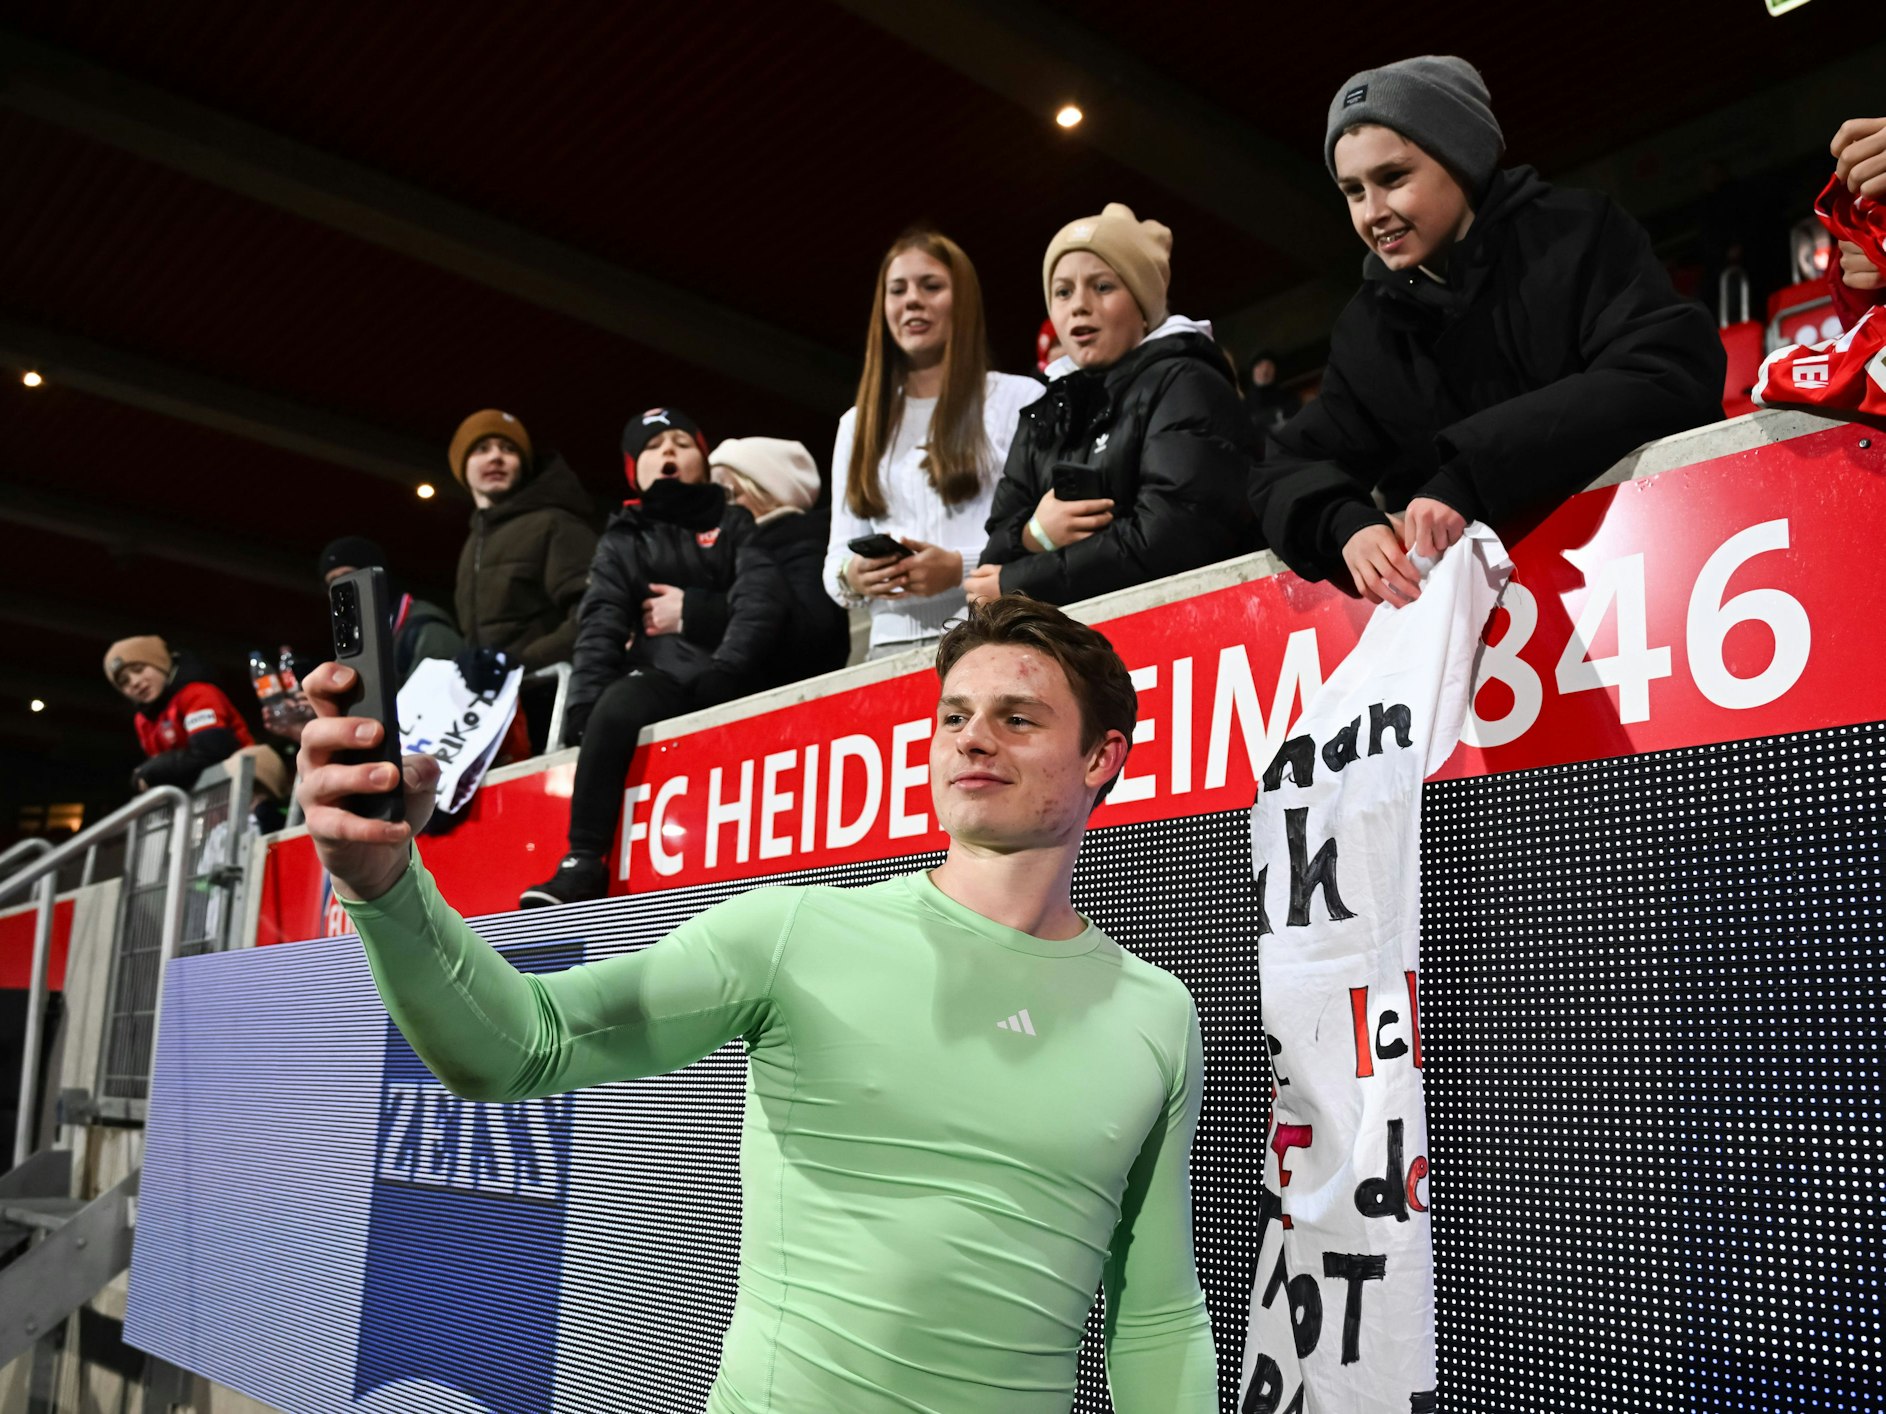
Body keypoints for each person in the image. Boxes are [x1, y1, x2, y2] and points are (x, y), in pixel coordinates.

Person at [295, 593, 1215, 1413]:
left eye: (1018, 719)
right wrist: (384, 885)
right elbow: (521, 1044)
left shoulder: (1157, 1014)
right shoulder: (792, 934)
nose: (972, 739)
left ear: (1103, 757)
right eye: (954, 717)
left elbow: (1157, 1311)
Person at [1251, 56, 1726, 606]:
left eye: (1393, 178)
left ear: (1463, 158)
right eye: (1353, 192)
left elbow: (1663, 373)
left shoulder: (1578, 235)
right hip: (1497, 636)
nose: (1373, 212)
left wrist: (1469, 475)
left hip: (1667, 578)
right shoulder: (1370, 324)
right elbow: (1285, 466)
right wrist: (1345, 524)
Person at [519, 408, 787, 908]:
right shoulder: (624, 538)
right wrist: (584, 702)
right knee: (615, 707)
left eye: (682, 442)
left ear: (704, 463)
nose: (668, 451)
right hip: (659, 675)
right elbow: (600, 622)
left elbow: (761, 601)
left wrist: (727, 667)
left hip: (730, 677)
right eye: (653, 446)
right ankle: (581, 862)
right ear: (633, 471)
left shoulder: (735, 524)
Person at [969, 203, 1260, 608]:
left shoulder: (1186, 382)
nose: (1079, 305)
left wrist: (1022, 579)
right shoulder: (1046, 410)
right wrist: (1034, 534)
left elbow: (1172, 537)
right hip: (1078, 653)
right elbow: (989, 567)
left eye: (1102, 287)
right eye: (1063, 291)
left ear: (1143, 307)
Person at [824, 229, 1043, 660]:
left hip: (995, 633)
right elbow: (834, 562)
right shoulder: (857, 425)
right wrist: (856, 575)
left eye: (931, 286)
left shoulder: (1020, 399)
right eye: (897, 290)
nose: (912, 301)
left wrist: (957, 569)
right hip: (887, 652)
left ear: (962, 301)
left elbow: (1042, 536)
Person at [450, 409, 599, 669]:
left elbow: (594, 612)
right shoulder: (472, 542)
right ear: (461, 465)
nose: (496, 457)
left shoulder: (554, 523)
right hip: (499, 700)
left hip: (551, 691)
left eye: (508, 449)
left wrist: (521, 663)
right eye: (481, 448)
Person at [706, 437, 851, 684]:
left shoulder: (804, 543)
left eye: (727, 494)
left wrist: (694, 612)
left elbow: (811, 638)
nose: (719, 509)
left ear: (766, 492)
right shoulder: (722, 553)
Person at [106, 634, 273, 796]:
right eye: (124, 682)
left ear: (160, 663)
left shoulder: (197, 693)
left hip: (245, 793)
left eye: (139, 669)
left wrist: (151, 770)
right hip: (201, 803)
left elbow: (212, 751)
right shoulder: (143, 720)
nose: (134, 682)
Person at [318, 536, 463, 686]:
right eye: (332, 583)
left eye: (347, 577)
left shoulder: (427, 630)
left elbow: (438, 700)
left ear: (374, 577)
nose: (340, 592)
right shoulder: (354, 639)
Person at [1243, 350, 1296, 438]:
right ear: (1252, 370)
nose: (1264, 371)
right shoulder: (1244, 406)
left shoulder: (1289, 398)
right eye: (1259, 365)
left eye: (1269, 366)